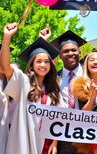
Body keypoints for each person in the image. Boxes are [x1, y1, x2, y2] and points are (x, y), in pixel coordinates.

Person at [0, 22, 61, 154]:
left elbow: (58, 118)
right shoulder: (23, 81)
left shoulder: (53, 89)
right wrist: (7, 37)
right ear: (32, 64)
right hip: (23, 141)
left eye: (46, 62)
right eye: (38, 61)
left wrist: (55, 143)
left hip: (45, 142)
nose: (43, 65)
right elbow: (5, 66)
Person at [50, 30, 87, 154]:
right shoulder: (54, 78)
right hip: (62, 134)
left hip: (86, 134)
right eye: (66, 51)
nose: (70, 53)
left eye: (74, 50)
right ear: (60, 55)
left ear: (79, 52)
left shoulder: (89, 74)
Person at [71, 50, 97, 154]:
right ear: (87, 64)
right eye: (91, 60)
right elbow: (83, 114)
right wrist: (92, 96)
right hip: (88, 135)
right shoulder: (80, 85)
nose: (95, 62)